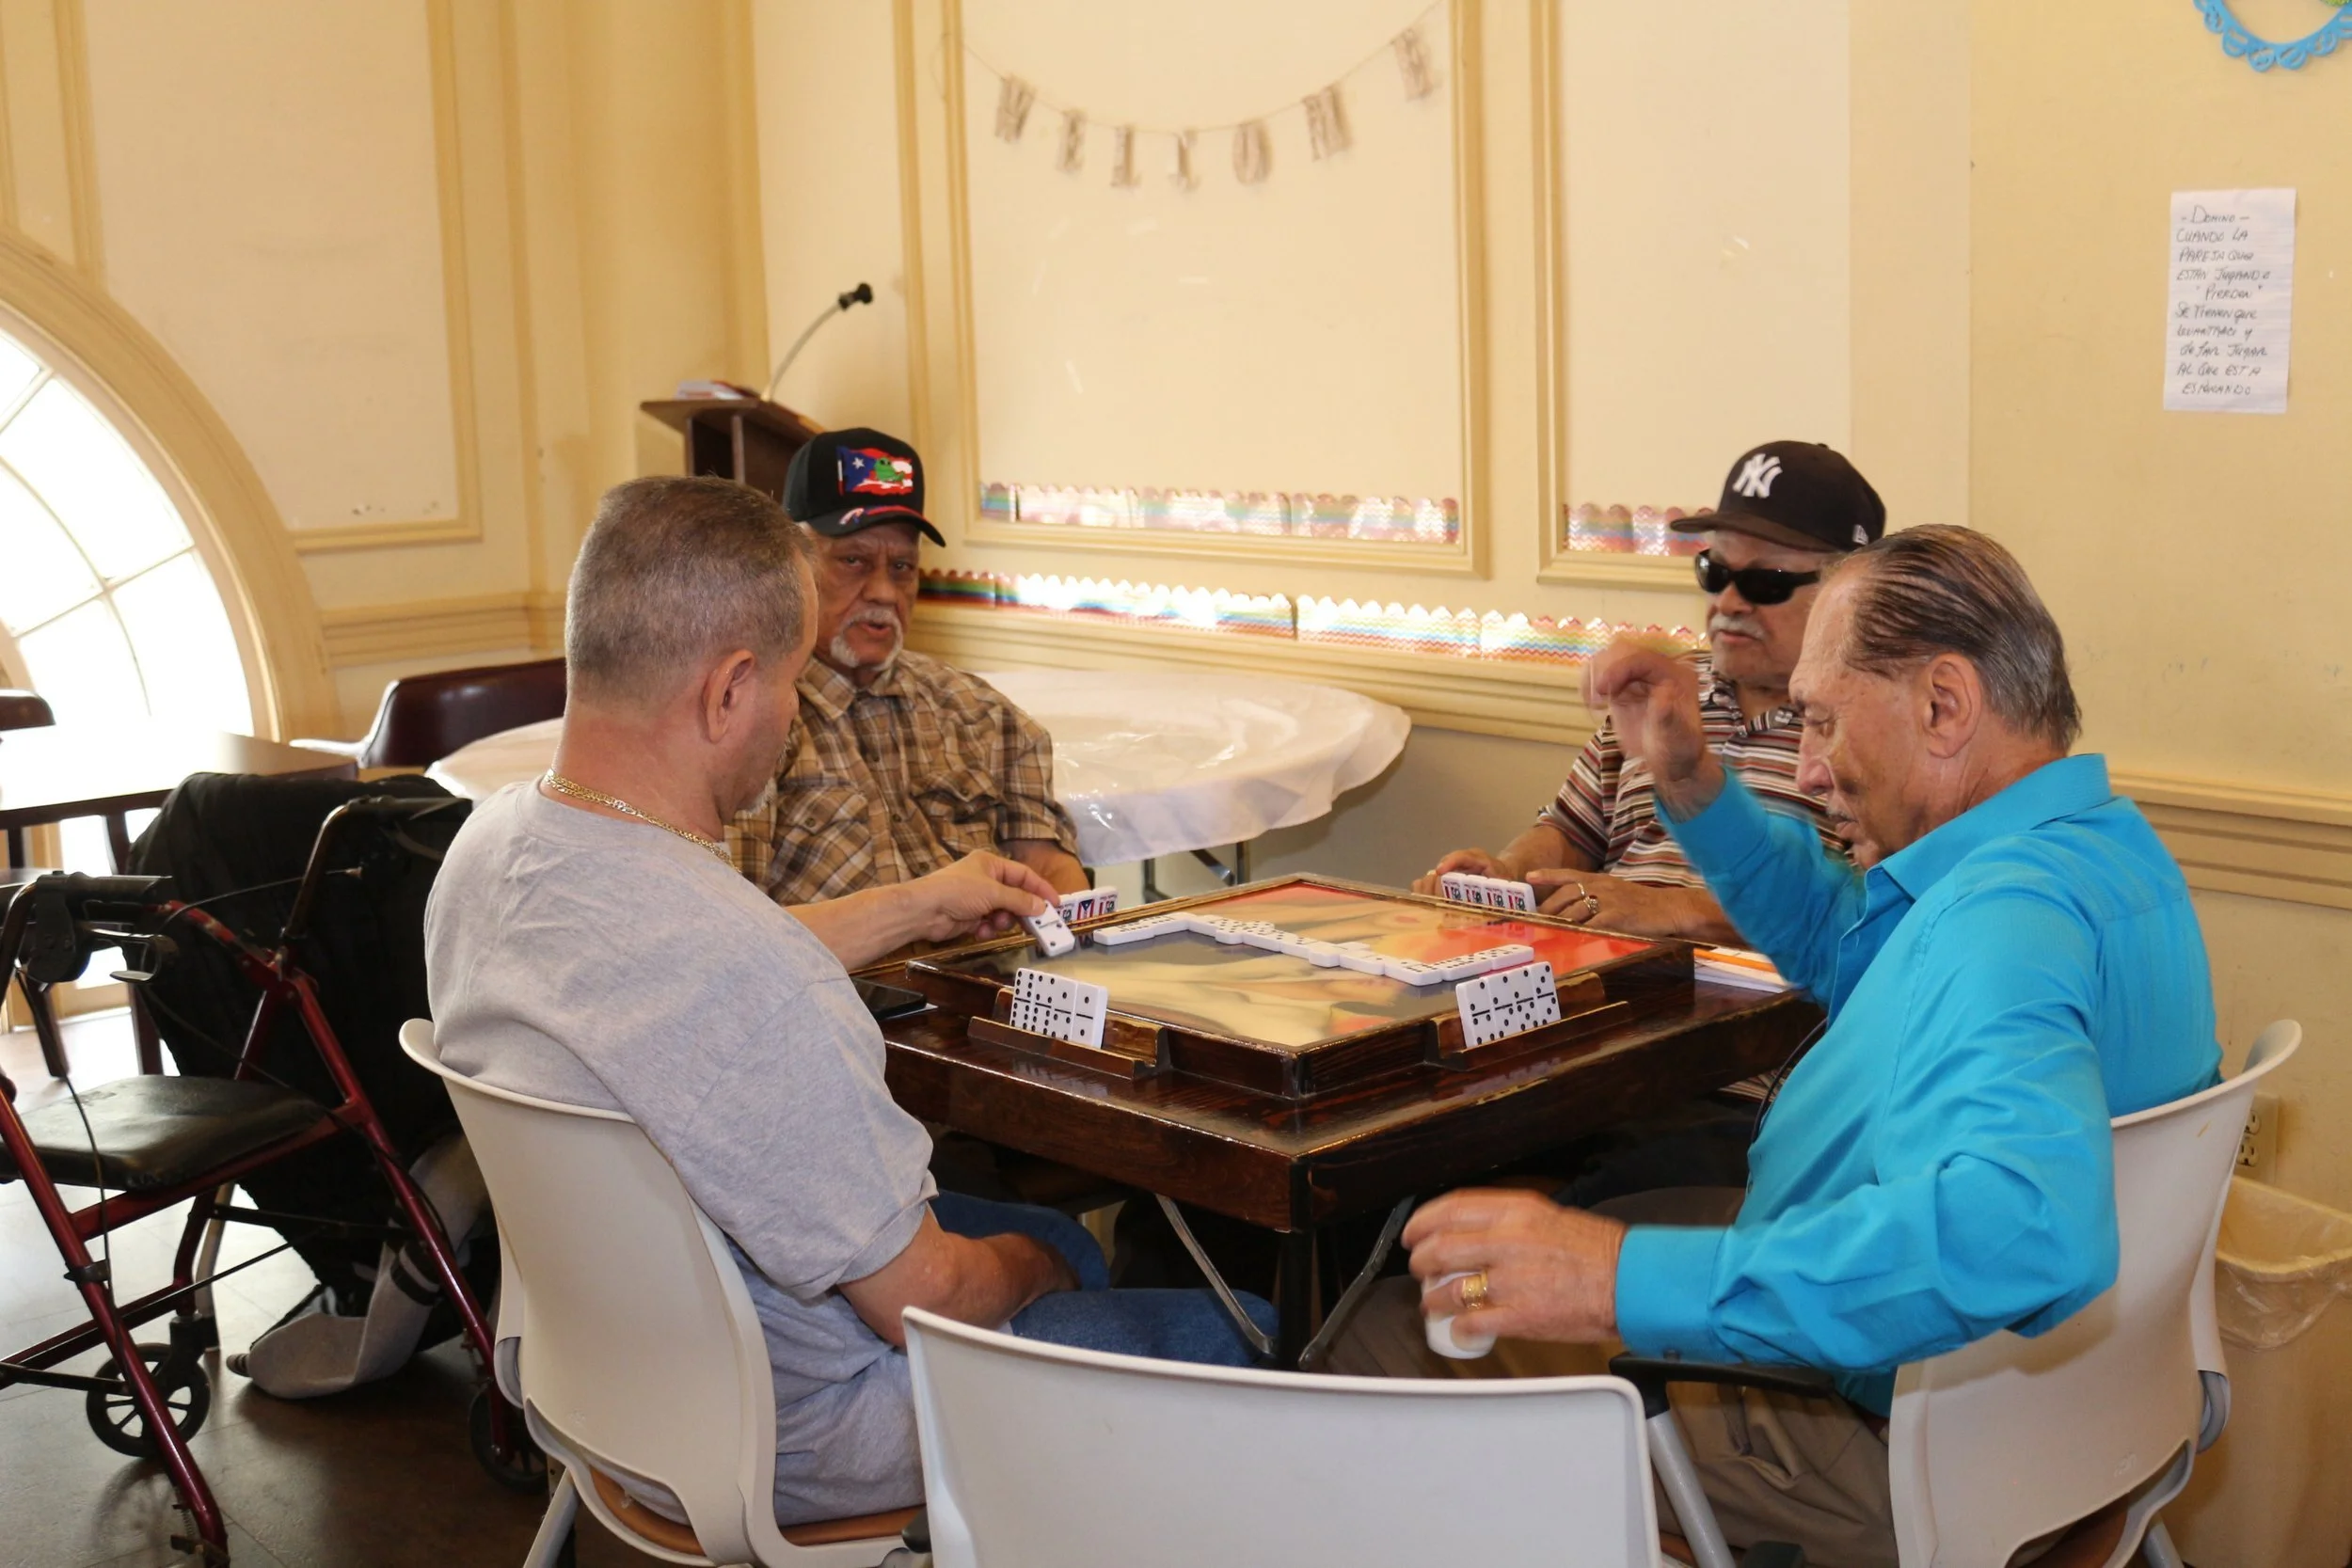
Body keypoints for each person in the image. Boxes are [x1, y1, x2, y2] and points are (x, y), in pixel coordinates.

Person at [425, 476, 1268, 1526]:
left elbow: (691, 985)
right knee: (1248, 1325)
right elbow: (927, 1301)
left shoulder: (485, 851)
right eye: (786, 682)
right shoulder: (745, 968)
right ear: (730, 689)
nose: (789, 715)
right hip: (809, 1434)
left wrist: (911, 907)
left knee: (1068, 1249)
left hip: (601, 1381)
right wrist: (1040, 1259)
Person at [1382, 526, 2221, 1568]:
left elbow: (2023, 1228)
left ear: (1944, 704)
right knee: (1592, 1226)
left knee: (1376, 1350)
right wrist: (1686, 778)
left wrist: (1614, 1277)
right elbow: (1847, 941)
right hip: (2063, 1430)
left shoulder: (2001, 915)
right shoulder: (2097, 850)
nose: (1812, 770)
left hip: (1875, 1443)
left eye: (1822, 720)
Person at [1414, 440, 1882, 945]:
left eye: (1766, 582)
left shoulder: (1876, 724)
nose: (1728, 600)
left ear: (1848, 592)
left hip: (1764, 1007)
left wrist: (1674, 908)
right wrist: (1505, 876)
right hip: (1606, 976)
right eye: (1715, 571)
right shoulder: (1665, 690)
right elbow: (1572, 832)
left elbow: (1867, 909)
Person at [727, 427, 1089, 909]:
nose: (883, 592)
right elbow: (735, 921)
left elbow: (1046, 869)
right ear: (792, 567)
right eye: (854, 560)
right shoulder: (748, 723)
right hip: (833, 982)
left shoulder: (984, 716)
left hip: (988, 978)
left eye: (902, 568)